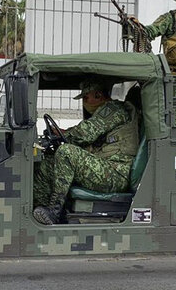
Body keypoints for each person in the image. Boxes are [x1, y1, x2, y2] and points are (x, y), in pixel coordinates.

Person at [32, 79, 140, 225]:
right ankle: (41, 210)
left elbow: (85, 133)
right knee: (47, 163)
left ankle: (54, 212)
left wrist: (63, 135)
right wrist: (63, 133)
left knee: (66, 153)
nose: (84, 102)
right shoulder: (103, 113)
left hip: (116, 173)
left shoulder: (114, 110)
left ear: (98, 95)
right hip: (104, 169)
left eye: (85, 98)